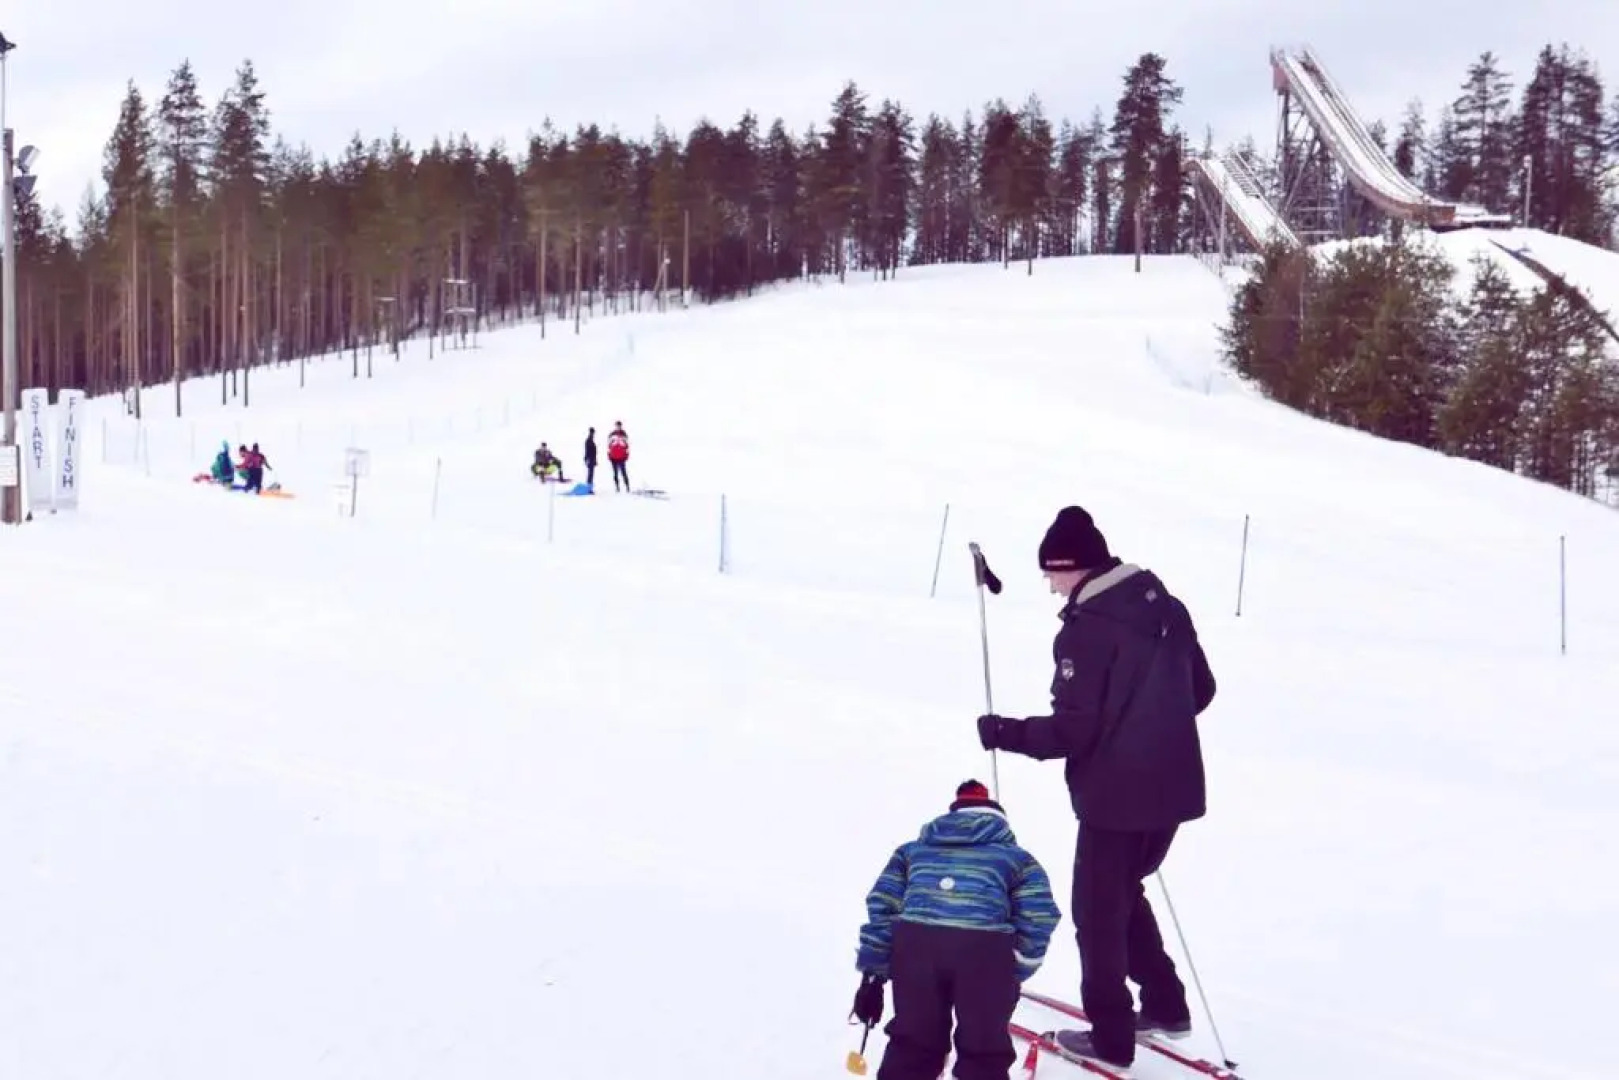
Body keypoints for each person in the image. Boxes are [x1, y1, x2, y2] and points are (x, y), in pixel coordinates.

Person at [974, 506, 1216, 1073]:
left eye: (1052, 575)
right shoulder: (1165, 605)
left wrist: (1004, 733)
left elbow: (1072, 730)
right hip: (1174, 789)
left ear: (1074, 568)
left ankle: (1110, 1037)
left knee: (1097, 913)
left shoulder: (1089, 631)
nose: (1050, 587)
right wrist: (1150, 723)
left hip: (1118, 798)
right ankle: (1165, 1004)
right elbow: (1200, 689)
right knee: (1123, 891)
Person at [851, 779, 1061, 1080]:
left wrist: (874, 973)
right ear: (997, 820)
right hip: (984, 953)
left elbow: (883, 905)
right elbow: (1038, 914)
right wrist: (1015, 964)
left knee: (913, 1044)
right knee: (982, 1050)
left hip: (916, 948)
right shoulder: (1016, 858)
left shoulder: (911, 852)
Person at [606, 421, 629, 491]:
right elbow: (609, 446)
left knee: (623, 472)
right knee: (615, 473)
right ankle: (617, 487)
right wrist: (609, 455)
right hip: (613, 457)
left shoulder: (624, 434)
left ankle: (627, 486)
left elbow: (627, 446)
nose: (618, 427)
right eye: (617, 426)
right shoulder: (612, 434)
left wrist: (626, 455)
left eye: (619, 426)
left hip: (622, 457)